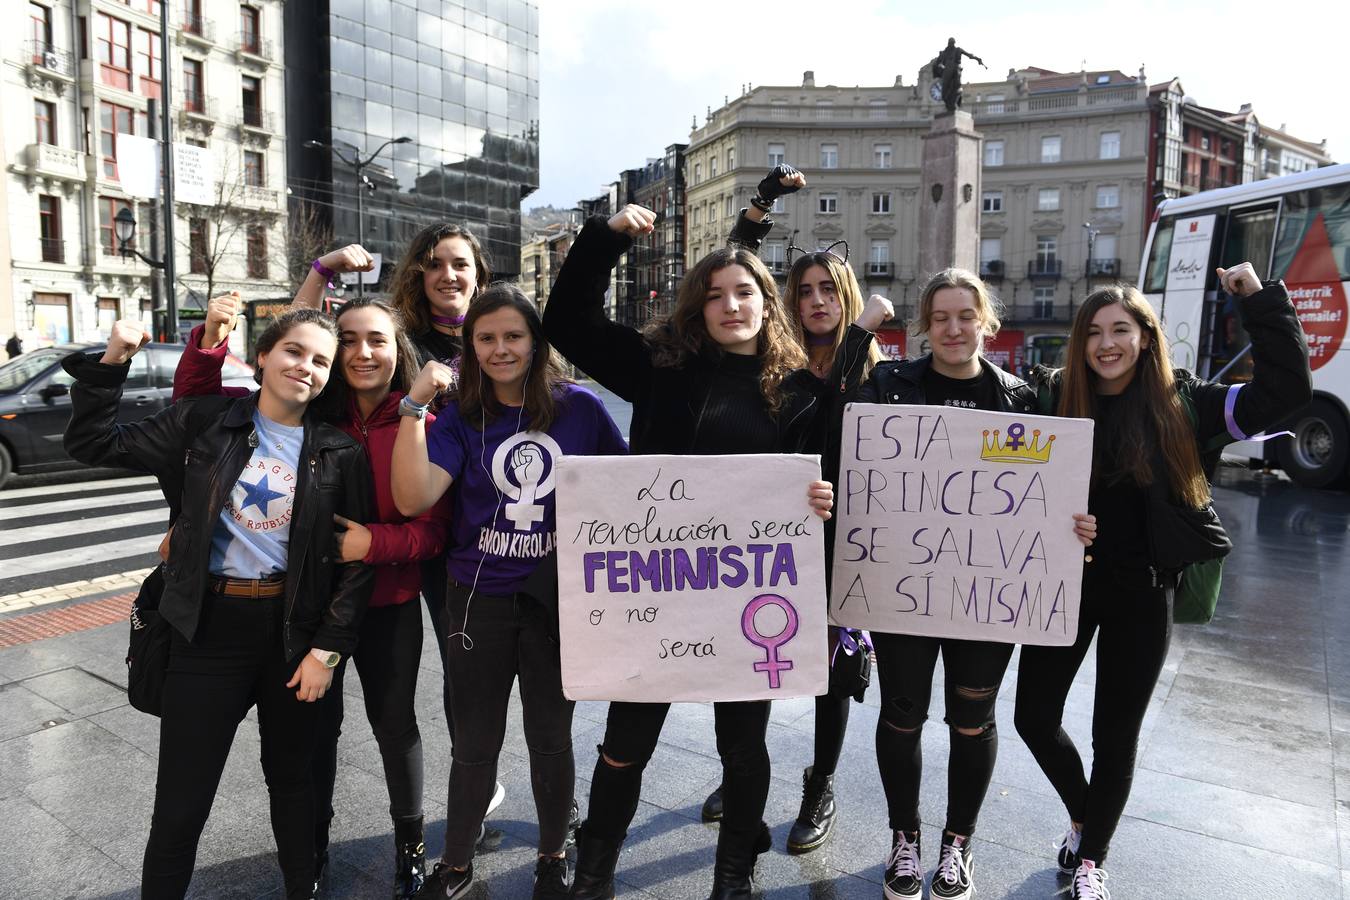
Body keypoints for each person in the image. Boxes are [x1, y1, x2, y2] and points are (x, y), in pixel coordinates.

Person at [543, 204, 845, 900]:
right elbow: (567, 322)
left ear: (767, 304)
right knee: (625, 744)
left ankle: (733, 876)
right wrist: (605, 239)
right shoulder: (659, 366)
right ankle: (594, 874)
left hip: (746, 605)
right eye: (714, 295)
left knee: (743, 749)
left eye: (744, 292)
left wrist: (819, 504)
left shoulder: (803, 395)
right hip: (653, 598)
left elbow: (818, 491)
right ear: (697, 309)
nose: (730, 305)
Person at [1013, 262, 1311, 900]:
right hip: (1063, 586)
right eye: (1093, 332)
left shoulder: (1190, 402)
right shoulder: (1055, 397)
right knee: (1033, 718)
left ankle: (1092, 858)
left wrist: (1258, 301)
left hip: (1144, 591)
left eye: (1120, 329)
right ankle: (1086, 815)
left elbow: (1284, 390)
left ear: (1145, 336)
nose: (1106, 344)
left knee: (1114, 736)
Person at [63, 309, 374, 899]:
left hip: (293, 638)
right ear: (262, 356)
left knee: (293, 787)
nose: (304, 367)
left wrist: (328, 651)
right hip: (205, 632)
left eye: (319, 360)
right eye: (293, 352)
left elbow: (352, 566)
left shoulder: (338, 452)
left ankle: (301, 890)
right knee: (181, 804)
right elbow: (93, 443)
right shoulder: (204, 421)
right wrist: (112, 361)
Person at [172, 293, 453, 898]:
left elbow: (435, 529)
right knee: (313, 739)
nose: (361, 352)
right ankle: (313, 852)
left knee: (394, 723)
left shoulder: (424, 419)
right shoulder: (310, 406)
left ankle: (411, 844)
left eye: (376, 339)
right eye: (346, 340)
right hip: (301, 612)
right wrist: (212, 339)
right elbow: (199, 407)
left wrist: (372, 545)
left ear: (397, 347)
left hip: (385, 602)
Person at [857, 268, 1096, 900]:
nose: (953, 328)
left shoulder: (1021, 399)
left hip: (986, 597)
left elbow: (1050, 486)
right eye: (940, 318)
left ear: (986, 323)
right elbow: (838, 437)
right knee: (902, 717)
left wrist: (1074, 521)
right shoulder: (889, 386)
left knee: (972, 720)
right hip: (902, 587)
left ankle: (956, 845)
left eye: (966, 316)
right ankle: (903, 840)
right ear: (924, 327)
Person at [391, 285, 628, 900]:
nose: (501, 349)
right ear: (470, 346)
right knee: (474, 741)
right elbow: (413, 498)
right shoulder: (461, 419)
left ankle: (553, 853)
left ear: (535, 342)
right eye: (486, 338)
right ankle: (456, 862)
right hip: (476, 602)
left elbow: (632, 491)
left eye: (513, 336)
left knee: (551, 737)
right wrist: (413, 412)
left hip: (557, 604)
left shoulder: (581, 408)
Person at [294, 237, 515, 834]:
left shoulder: (499, 334)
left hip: (478, 535)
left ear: (480, 274)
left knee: (466, 672)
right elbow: (305, 336)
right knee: (407, 690)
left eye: (460, 264)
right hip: (416, 539)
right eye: (434, 264)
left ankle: (483, 779)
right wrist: (322, 270)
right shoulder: (405, 342)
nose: (447, 274)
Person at [700, 164, 890, 856]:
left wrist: (863, 340)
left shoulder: (878, 375)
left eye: (826, 289)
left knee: (831, 678)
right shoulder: (772, 368)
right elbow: (729, 269)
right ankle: (740, 768)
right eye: (802, 289)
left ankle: (821, 784)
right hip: (769, 538)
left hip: (843, 543)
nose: (815, 299)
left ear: (844, 295)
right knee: (753, 652)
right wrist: (761, 204)